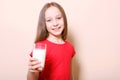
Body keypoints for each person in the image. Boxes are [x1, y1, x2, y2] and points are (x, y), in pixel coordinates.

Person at [27, 2, 76, 80]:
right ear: (44, 24)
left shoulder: (70, 47)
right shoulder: (40, 47)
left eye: (58, 18)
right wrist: (32, 71)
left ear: (64, 19)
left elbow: (70, 75)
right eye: (49, 20)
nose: (55, 23)